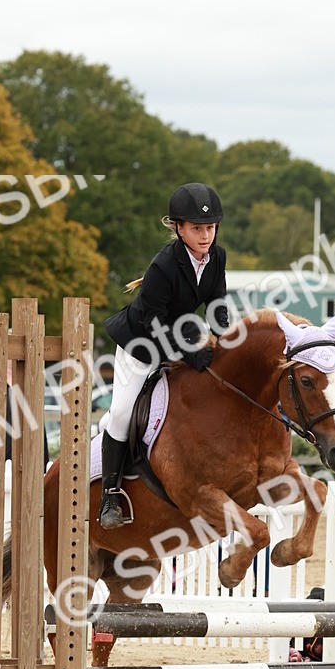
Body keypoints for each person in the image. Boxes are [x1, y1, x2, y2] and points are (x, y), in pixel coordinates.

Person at [99, 182, 229, 529]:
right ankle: (109, 496)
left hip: (181, 330)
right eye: (197, 229)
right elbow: (152, 320)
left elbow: (216, 305)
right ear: (179, 228)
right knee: (124, 411)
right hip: (141, 340)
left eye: (210, 228)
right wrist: (188, 352)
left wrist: (226, 341)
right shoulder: (165, 263)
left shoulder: (217, 257)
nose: (205, 236)